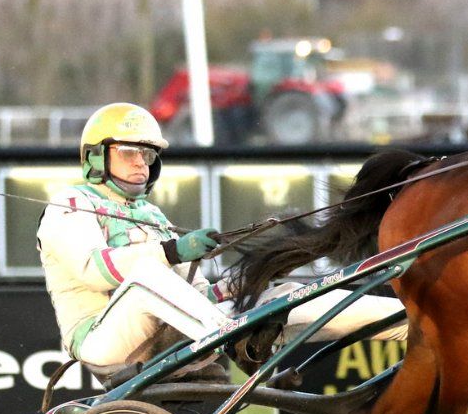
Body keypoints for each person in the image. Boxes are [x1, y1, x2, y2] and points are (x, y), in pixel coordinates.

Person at [37, 101, 406, 375]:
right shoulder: (69, 204)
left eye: (147, 154)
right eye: (129, 152)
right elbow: (95, 270)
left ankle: (408, 321)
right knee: (148, 276)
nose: (141, 163)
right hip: (103, 341)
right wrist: (171, 251)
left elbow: (196, 296)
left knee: (277, 295)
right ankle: (234, 339)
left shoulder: (152, 215)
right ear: (97, 157)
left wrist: (240, 285)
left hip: (174, 332)